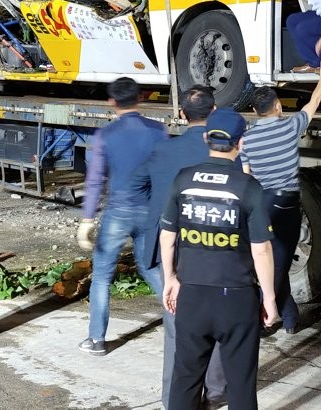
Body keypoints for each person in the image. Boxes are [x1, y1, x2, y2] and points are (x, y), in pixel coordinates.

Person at [161, 108, 278, 410]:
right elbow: (261, 249)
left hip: (193, 294)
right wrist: (269, 297)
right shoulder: (248, 188)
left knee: (185, 378)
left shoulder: (183, 179)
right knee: (240, 383)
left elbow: (168, 236)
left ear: (205, 138)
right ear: (241, 143)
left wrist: (171, 279)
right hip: (236, 298)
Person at [136, 85, 227, 407]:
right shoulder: (225, 154)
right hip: (217, 252)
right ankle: (215, 393)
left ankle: (176, 398)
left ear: (180, 115)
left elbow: (152, 198)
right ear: (214, 113)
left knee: (176, 328)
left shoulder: (163, 150)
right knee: (217, 325)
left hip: (172, 250)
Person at [77, 77, 168, 356]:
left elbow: (95, 181)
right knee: (152, 269)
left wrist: (87, 220)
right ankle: (183, 321)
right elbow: (164, 173)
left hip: (118, 212)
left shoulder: (106, 135)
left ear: (112, 102)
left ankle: (96, 340)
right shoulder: (158, 130)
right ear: (140, 97)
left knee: (103, 276)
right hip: (149, 210)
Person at [240, 62, 321, 334]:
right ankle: (262, 318)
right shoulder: (291, 125)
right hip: (287, 203)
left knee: (273, 262)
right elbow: (314, 102)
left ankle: (290, 317)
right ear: (278, 106)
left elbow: (247, 177)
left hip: (262, 203)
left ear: (255, 112)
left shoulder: (247, 139)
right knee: (278, 262)